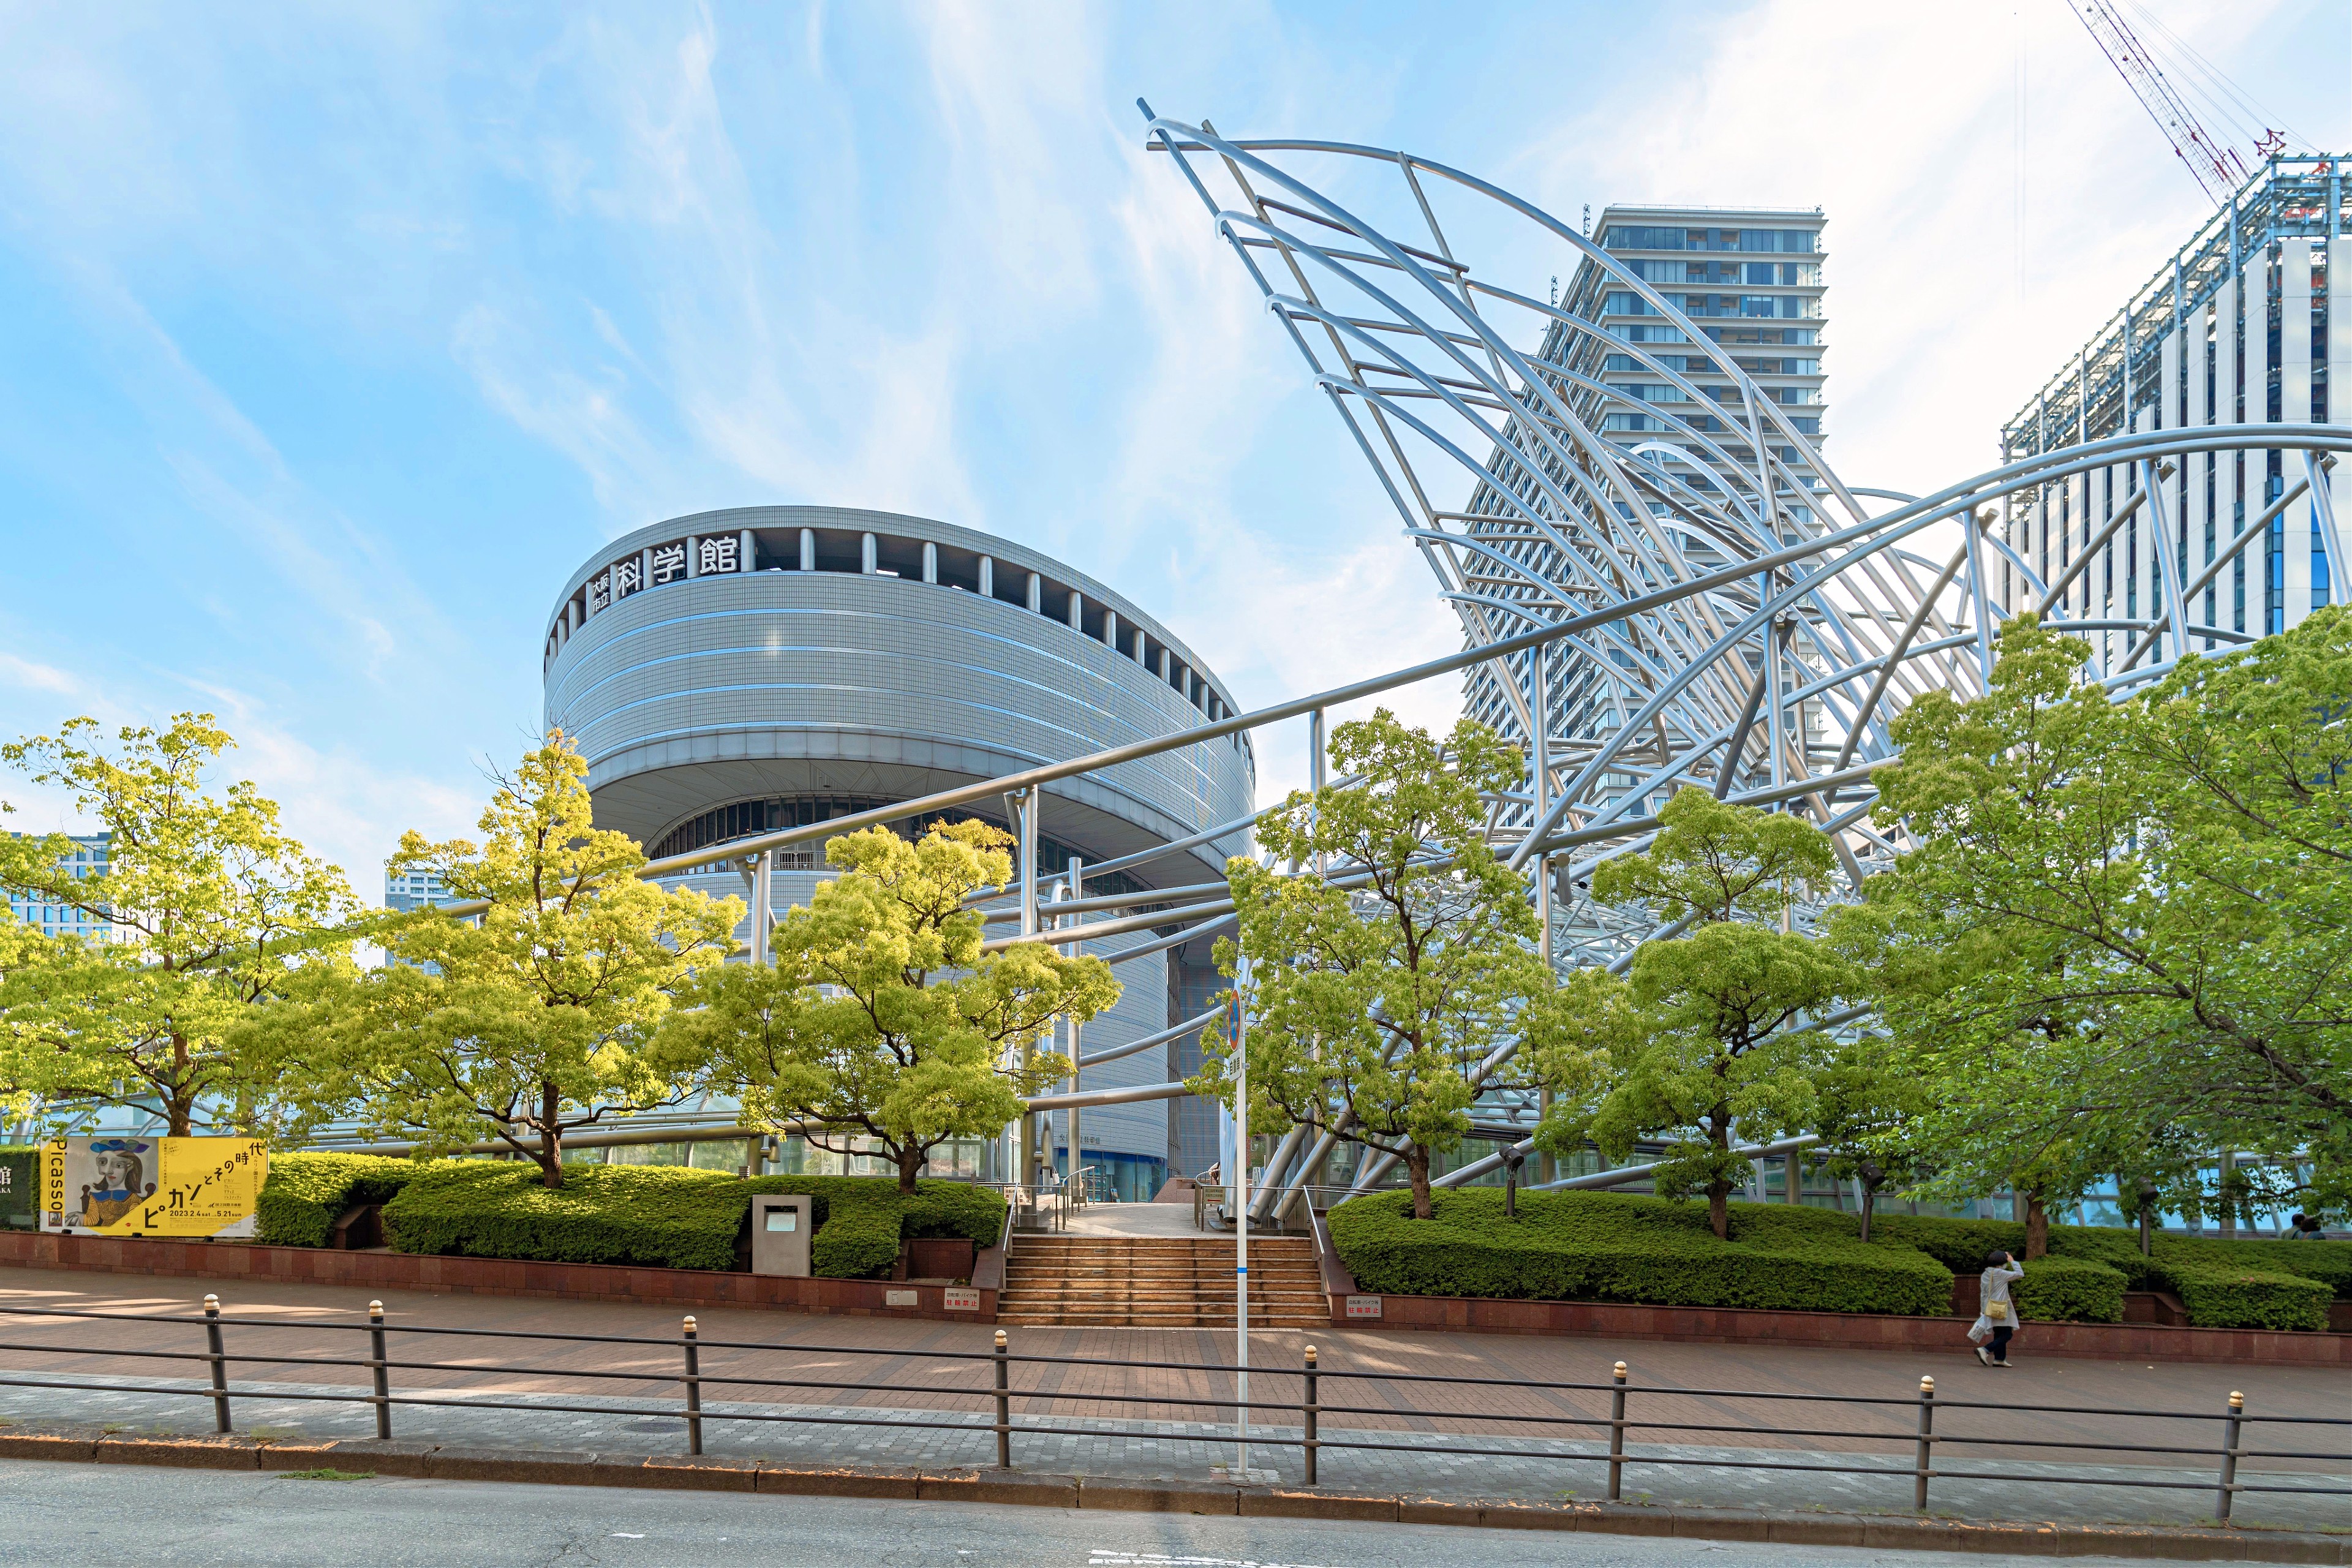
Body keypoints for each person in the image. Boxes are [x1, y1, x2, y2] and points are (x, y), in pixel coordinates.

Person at [1971, 1249, 2024, 1367]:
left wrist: (1984, 1310)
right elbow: (2020, 1274)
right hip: (2001, 1308)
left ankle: (1999, 1359)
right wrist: (2013, 1261)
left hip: (1990, 1308)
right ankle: (1985, 1350)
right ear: (2001, 1263)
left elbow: (1984, 1294)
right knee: (2007, 1335)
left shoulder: (1986, 1274)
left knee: (1999, 1334)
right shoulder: (2000, 1273)